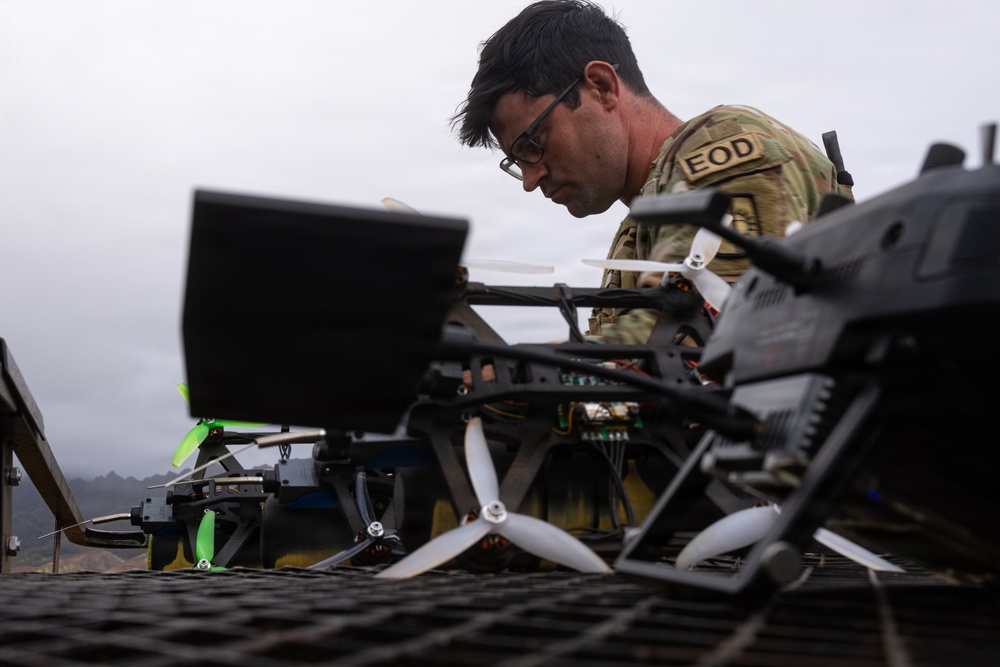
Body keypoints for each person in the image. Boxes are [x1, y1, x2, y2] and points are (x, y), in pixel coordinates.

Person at [452, 0, 853, 344]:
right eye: (517, 161)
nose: (530, 180)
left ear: (602, 87)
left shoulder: (725, 145)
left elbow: (689, 335)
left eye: (533, 144)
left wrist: (505, 374)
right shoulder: (635, 233)